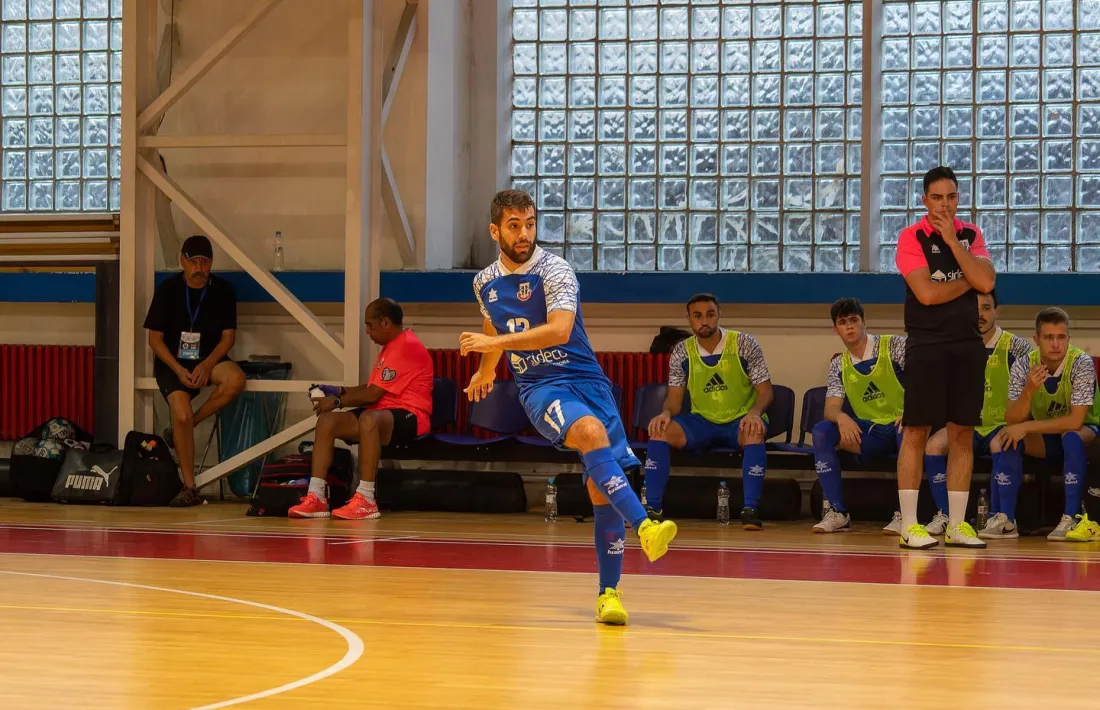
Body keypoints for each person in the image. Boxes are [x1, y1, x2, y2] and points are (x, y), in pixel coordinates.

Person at [459, 188, 678, 626]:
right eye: (515, 226)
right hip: (541, 386)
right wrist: (488, 369)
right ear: (495, 230)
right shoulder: (484, 281)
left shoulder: (556, 270)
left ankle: (608, 595)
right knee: (592, 435)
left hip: (589, 382)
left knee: (601, 489)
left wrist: (493, 345)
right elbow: (492, 322)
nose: (524, 234)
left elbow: (558, 331)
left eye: (530, 224)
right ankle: (646, 525)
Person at [894, 166, 995, 549]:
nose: (945, 204)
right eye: (937, 197)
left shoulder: (971, 234)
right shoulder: (910, 237)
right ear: (925, 200)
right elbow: (927, 295)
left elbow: (986, 284)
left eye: (951, 196)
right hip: (926, 345)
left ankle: (956, 525)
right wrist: (967, 278)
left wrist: (955, 244)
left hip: (967, 345)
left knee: (962, 434)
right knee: (917, 432)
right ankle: (909, 524)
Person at [289, 298, 433, 520]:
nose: (367, 331)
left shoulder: (406, 346)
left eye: (370, 325)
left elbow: (372, 396)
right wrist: (338, 390)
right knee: (327, 422)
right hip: (382, 413)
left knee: (368, 419)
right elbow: (371, 388)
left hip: (412, 417)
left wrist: (337, 402)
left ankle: (366, 499)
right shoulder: (390, 346)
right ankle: (316, 496)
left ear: (385, 322)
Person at [644, 293, 773, 530]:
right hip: (702, 421)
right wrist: (664, 414)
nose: (704, 320)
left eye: (710, 314)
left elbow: (765, 391)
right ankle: (652, 508)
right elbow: (674, 401)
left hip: (740, 419)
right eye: (698, 315)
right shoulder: (681, 351)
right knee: (660, 431)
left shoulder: (744, 343)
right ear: (689, 319)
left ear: (718, 315)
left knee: (755, 430)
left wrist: (754, 412)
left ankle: (750, 509)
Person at [144, 235, 246, 507]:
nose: (199, 267)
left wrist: (207, 364)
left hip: (208, 358)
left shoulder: (224, 290)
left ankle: (189, 424)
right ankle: (189, 485)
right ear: (182, 261)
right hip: (173, 362)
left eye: (205, 261)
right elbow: (154, 339)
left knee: (235, 380)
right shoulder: (167, 290)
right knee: (181, 414)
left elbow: (228, 338)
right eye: (194, 262)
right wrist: (178, 369)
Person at [923, 290, 1032, 540]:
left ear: (996, 311)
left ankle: (1004, 518)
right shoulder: (955, 345)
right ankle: (947, 515)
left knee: (1002, 441)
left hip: (1001, 423)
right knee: (933, 445)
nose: (979, 315)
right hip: (966, 423)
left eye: (985, 308)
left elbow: (1029, 392)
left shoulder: (1018, 347)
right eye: (974, 309)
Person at [996, 308, 1100, 542]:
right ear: (1036, 340)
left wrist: (1027, 427)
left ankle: (1070, 516)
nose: (1056, 344)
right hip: (1048, 434)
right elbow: (1012, 419)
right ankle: (1006, 519)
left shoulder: (1081, 362)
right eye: (1048, 337)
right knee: (1007, 436)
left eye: (1061, 337)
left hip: (1087, 432)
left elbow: (1076, 421)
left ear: (1068, 339)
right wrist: (1029, 390)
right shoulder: (1024, 365)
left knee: (1070, 436)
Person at [811, 298, 910, 534]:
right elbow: (831, 408)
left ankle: (905, 514)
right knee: (822, 431)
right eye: (843, 322)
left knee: (907, 430)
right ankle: (838, 512)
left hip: (902, 425)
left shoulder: (895, 346)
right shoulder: (839, 364)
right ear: (836, 329)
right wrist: (842, 418)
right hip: (869, 432)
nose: (849, 327)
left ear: (864, 322)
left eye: (854, 320)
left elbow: (926, 380)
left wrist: (912, 411)